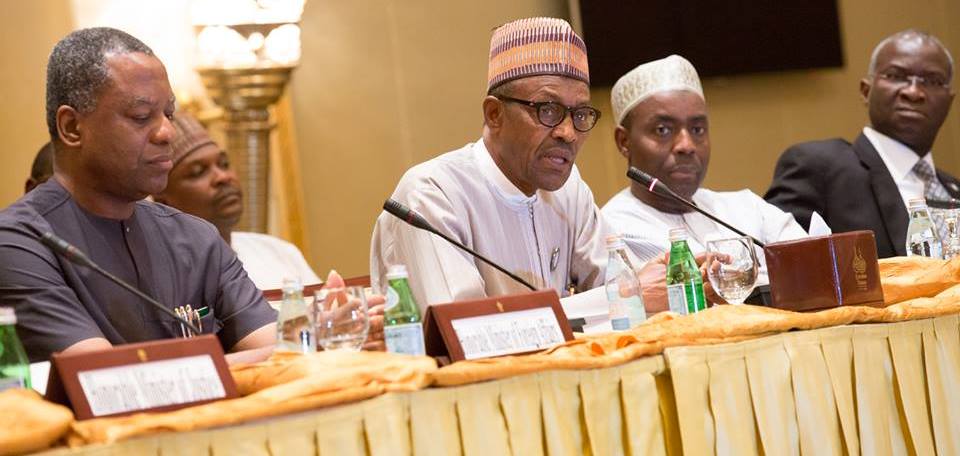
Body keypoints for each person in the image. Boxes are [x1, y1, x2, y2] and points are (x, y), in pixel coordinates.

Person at [0, 28, 276, 362]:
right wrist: (228, 361)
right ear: (72, 127)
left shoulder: (195, 236)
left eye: (168, 114)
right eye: (142, 117)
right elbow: (106, 379)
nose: (167, 132)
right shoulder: (18, 243)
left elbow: (280, 352)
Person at [371, 17, 663, 318]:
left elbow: (624, 290)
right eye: (548, 110)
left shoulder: (568, 189)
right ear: (494, 114)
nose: (569, 132)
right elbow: (468, 330)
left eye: (580, 113)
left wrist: (653, 287)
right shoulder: (432, 194)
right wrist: (626, 296)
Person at [602, 55, 807, 283]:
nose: (686, 146)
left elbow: (813, 263)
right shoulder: (613, 230)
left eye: (697, 129)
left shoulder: (747, 208)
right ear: (624, 141)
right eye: (662, 130)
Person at [765, 30, 958, 258]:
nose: (914, 92)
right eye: (896, 76)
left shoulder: (952, 189)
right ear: (866, 91)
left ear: (949, 101)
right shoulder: (818, 167)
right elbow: (778, 267)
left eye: (932, 81)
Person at [153, 113, 322, 290]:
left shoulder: (278, 252)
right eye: (197, 172)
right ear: (163, 201)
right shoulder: (164, 280)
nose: (223, 177)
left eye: (224, 164)